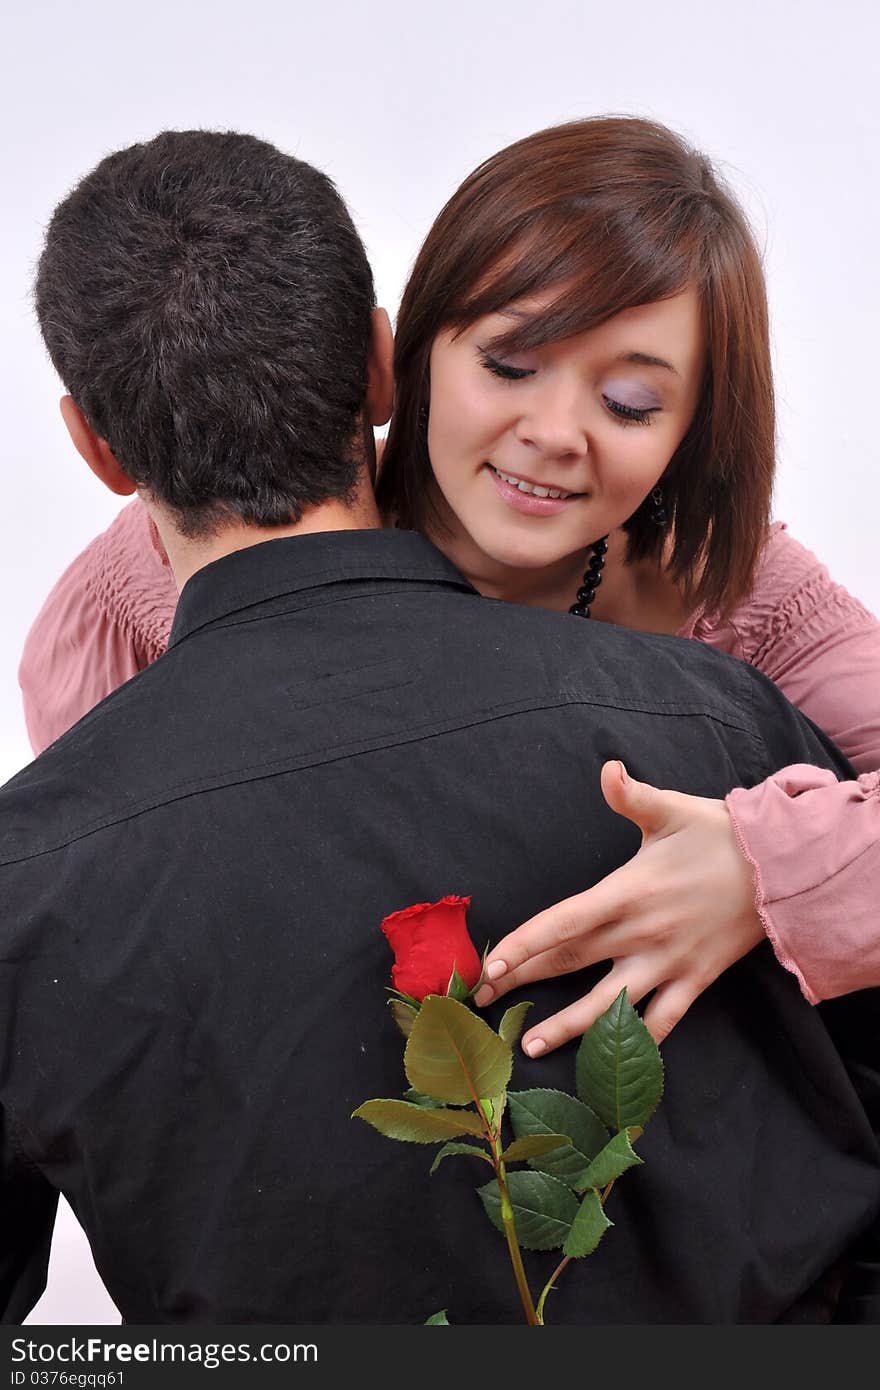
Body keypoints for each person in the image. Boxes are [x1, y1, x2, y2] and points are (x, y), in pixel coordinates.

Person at [0, 127, 878, 1326]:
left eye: (628, 399)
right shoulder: (130, 601)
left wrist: (767, 865)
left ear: (695, 428)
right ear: (394, 356)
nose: (554, 433)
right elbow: (139, 945)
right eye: (510, 363)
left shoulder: (746, 614)